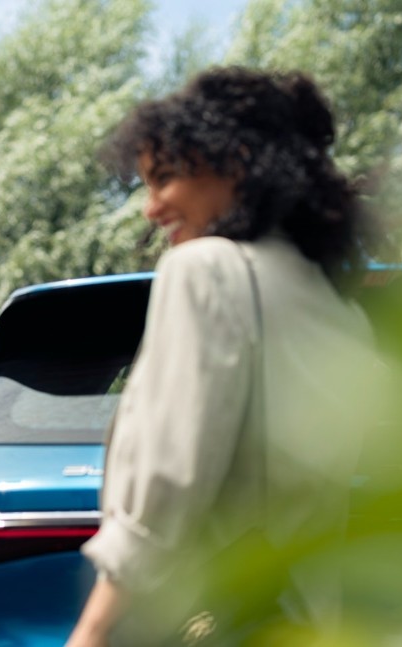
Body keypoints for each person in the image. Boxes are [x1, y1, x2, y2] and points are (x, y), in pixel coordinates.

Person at [66, 68, 382, 646]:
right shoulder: (341, 312)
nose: (150, 208)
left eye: (164, 178)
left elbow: (167, 487)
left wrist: (90, 632)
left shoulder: (206, 271)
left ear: (235, 161)